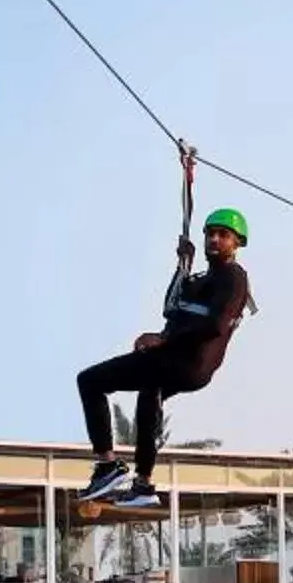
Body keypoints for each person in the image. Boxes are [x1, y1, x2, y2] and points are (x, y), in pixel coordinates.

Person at [77, 205, 255, 509]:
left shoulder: (233, 278)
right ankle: (143, 486)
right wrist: (182, 265)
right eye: (210, 234)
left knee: (90, 381)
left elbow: (214, 325)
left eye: (223, 235)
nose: (214, 239)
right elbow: (171, 307)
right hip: (181, 362)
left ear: (236, 243)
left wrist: (164, 339)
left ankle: (108, 466)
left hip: (184, 361)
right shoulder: (205, 278)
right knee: (149, 397)